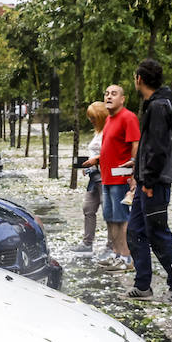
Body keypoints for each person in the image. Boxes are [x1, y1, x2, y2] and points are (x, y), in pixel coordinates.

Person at [126, 59, 172, 303]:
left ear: (139, 79)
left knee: (158, 234)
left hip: (154, 184)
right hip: (147, 180)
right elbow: (150, 146)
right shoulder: (155, 104)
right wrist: (139, 165)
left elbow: (159, 148)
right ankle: (143, 285)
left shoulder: (159, 106)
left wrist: (149, 181)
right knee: (136, 231)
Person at [96, 84, 140, 270]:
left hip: (121, 178)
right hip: (106, 177)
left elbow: (135, 144)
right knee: (110, 218)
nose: (109, 96)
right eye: (106, 93)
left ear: (123, 99)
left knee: (122, 219)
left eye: (114, 94)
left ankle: (127, 258)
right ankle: (116, 253)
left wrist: (134, 173)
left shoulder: (128, 117)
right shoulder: (109, 119)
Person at [71, 101, 107, 254]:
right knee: (88, 208)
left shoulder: (108, 131)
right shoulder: (97, 132)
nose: (91, 121)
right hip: (94, 176)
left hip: (105, 176)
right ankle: (87, 243)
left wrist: (96, 160)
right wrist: (87, 166)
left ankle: (114, 245)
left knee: (109, 212)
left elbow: (112, 152)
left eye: (93, 117)